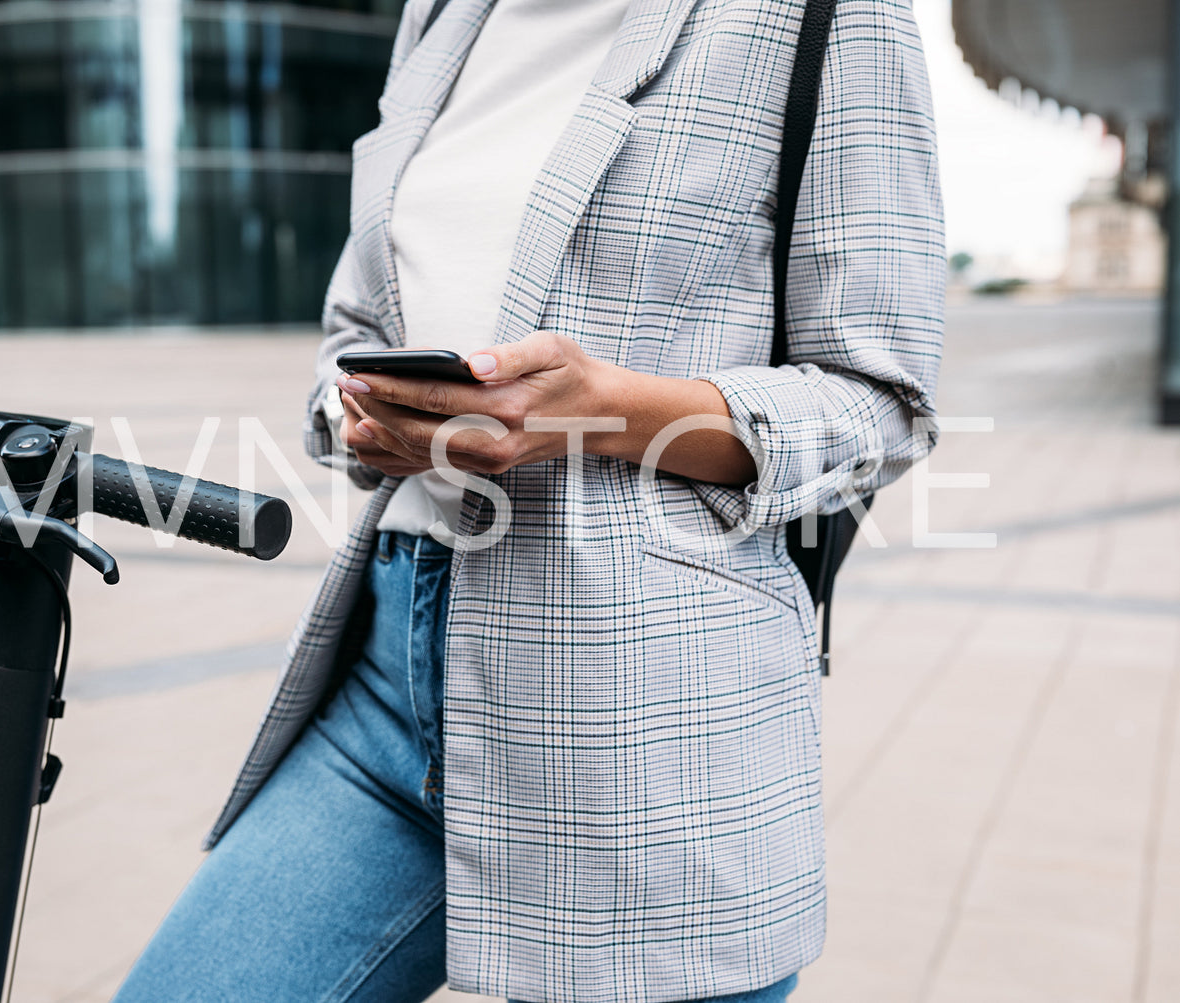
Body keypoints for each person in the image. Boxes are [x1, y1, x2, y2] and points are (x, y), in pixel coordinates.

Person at [115, 0, 943, 998]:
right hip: (391, 678)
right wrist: (365, 424)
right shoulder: (442, 14)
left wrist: (600, 409)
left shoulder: (816, 12)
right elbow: (351, 332)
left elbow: (880, 403)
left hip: (644, 723)